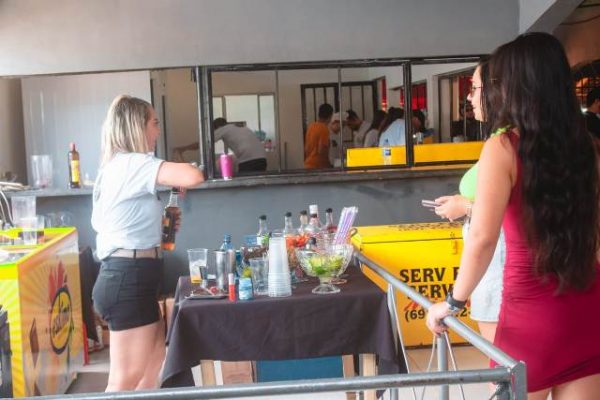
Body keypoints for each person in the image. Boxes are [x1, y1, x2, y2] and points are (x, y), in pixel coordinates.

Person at [426, 33, 600, 399]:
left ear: (519, 85)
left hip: (531, 319)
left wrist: (453, 302)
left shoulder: (503, 147)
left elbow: (482, 238)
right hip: (587, 310)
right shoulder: (584, 145)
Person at [91, 95, 204, 391]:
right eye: (154, 123)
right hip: (127, 279)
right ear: (136, 126)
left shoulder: (120, 166)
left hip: (134, 277)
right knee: (124, 380)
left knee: (153, 368)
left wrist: (160, 224)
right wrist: (174, 175)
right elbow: (193, 175)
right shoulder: (133, 163)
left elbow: (125, 223)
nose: (158, 130)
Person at [433, 60, 505, 346]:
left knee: (505, 362)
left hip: (501, 266)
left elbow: (489, 233)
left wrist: (453, 302)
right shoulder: (507, 140)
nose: (469, 97)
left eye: (474, 88)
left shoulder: (504, 146)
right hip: (504, 269)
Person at [173, 118, 267, 173]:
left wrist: (183, 149)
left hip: (249, 161)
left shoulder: (223, 129)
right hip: (262, 159)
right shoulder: (242, 128)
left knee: (246, 189)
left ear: (217, 127)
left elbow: (202, 144)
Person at [304, 103, 333, 169]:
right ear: (330, 116)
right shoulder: (324, 128)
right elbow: (322, 150)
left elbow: (306, 149)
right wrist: (328, 165)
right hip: (317, 166)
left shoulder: (311, 126)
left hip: (308, 164)